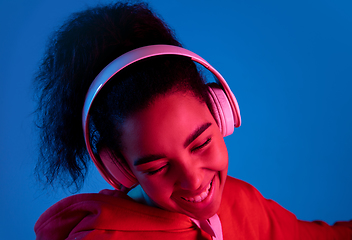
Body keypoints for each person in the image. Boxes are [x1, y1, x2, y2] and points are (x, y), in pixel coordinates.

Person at [33, 1, 352, 239]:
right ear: (120, 168)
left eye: (200, 144)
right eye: (157, 167)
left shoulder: (243, 203)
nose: (194, 181)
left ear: (220, 115)